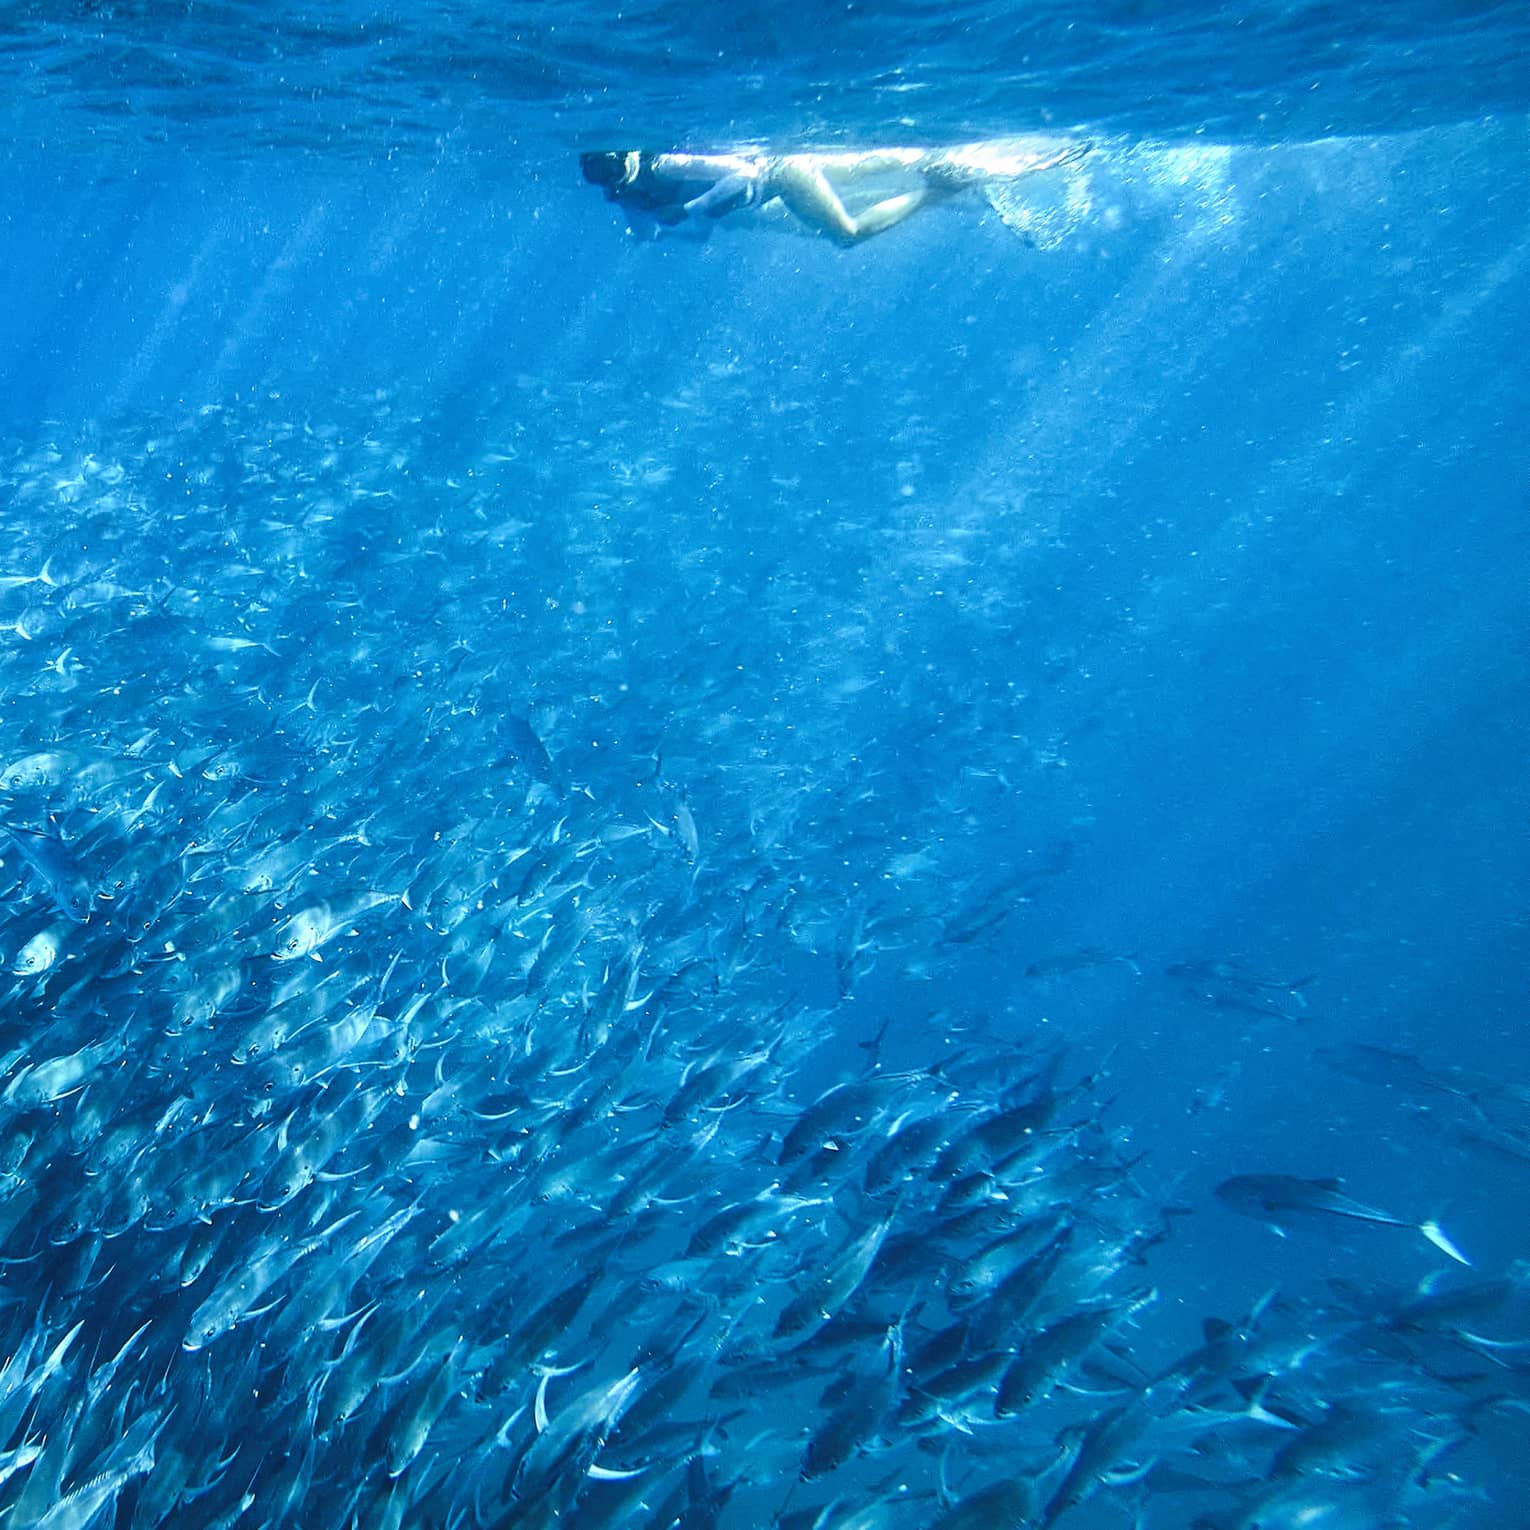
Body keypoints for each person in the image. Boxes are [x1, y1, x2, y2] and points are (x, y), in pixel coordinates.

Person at [581, 138, 1089, 245]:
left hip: (782, 173)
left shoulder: (666, 162)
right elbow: (676, 237)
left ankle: (948, 184)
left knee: (847, 233)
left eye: (617, 167)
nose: (618, 177)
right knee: (870, 181)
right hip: (783, 186)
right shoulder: (628, 193)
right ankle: (955, 180)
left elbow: (742, 170)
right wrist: (662, 230)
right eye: (608, 176)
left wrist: (692, 206)